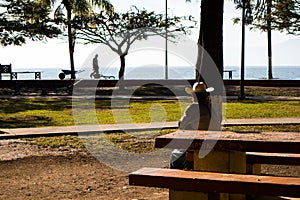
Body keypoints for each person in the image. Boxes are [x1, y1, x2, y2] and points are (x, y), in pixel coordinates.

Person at [169, 82, 213, 170]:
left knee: (174, 156)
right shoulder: (210, 107)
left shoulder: (193, 108)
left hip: (195, 144)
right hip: (209, 143)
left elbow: (182, 125)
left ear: (194, 95)